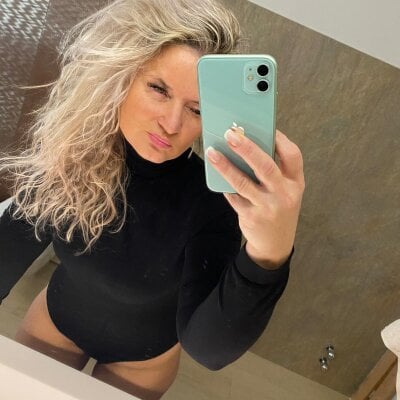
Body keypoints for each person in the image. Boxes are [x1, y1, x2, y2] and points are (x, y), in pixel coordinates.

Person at [0, 0, 305, 399]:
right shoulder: (72, 155)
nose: (172, 124)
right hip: (55, 325)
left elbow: (209, 349)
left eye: (196, 109)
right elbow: (9, 249)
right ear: (122, 76)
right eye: (159, 89)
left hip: (141, 362)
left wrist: (269, 255)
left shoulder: (211, 202)